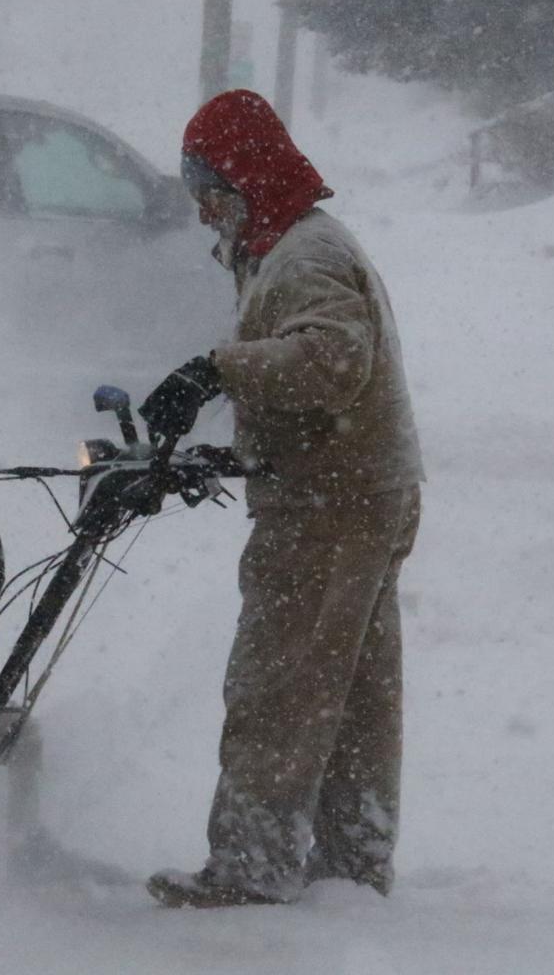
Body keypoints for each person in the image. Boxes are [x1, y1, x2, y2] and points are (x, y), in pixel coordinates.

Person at [139, 90, 425, 908]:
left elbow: (333, 362)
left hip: (332, 506)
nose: (200, 210)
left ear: (246, 177)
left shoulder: (304, 257)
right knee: (354, 693)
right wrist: (237, 449)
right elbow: (318, 386)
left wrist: (214, 371)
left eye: (207, 188)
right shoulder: (284, 245)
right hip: (359, 487)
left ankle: (251, 866)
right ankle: (352, 860)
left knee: (279, 682)